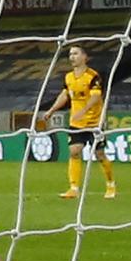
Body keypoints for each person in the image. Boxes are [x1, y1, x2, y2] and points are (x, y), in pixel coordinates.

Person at [41, 45, 116, 200]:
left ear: (84, 57)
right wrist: (51, 110)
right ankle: (73, 188)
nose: (72, 57)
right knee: (74, 151)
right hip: (76, 124)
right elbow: (64, 96)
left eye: (75, 54)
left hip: (94, 123)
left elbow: (96, 97)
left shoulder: (92, 76)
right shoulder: (68, 77)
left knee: (100, 154)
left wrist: (84, 110)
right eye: (70, 54)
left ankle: (110, 184)